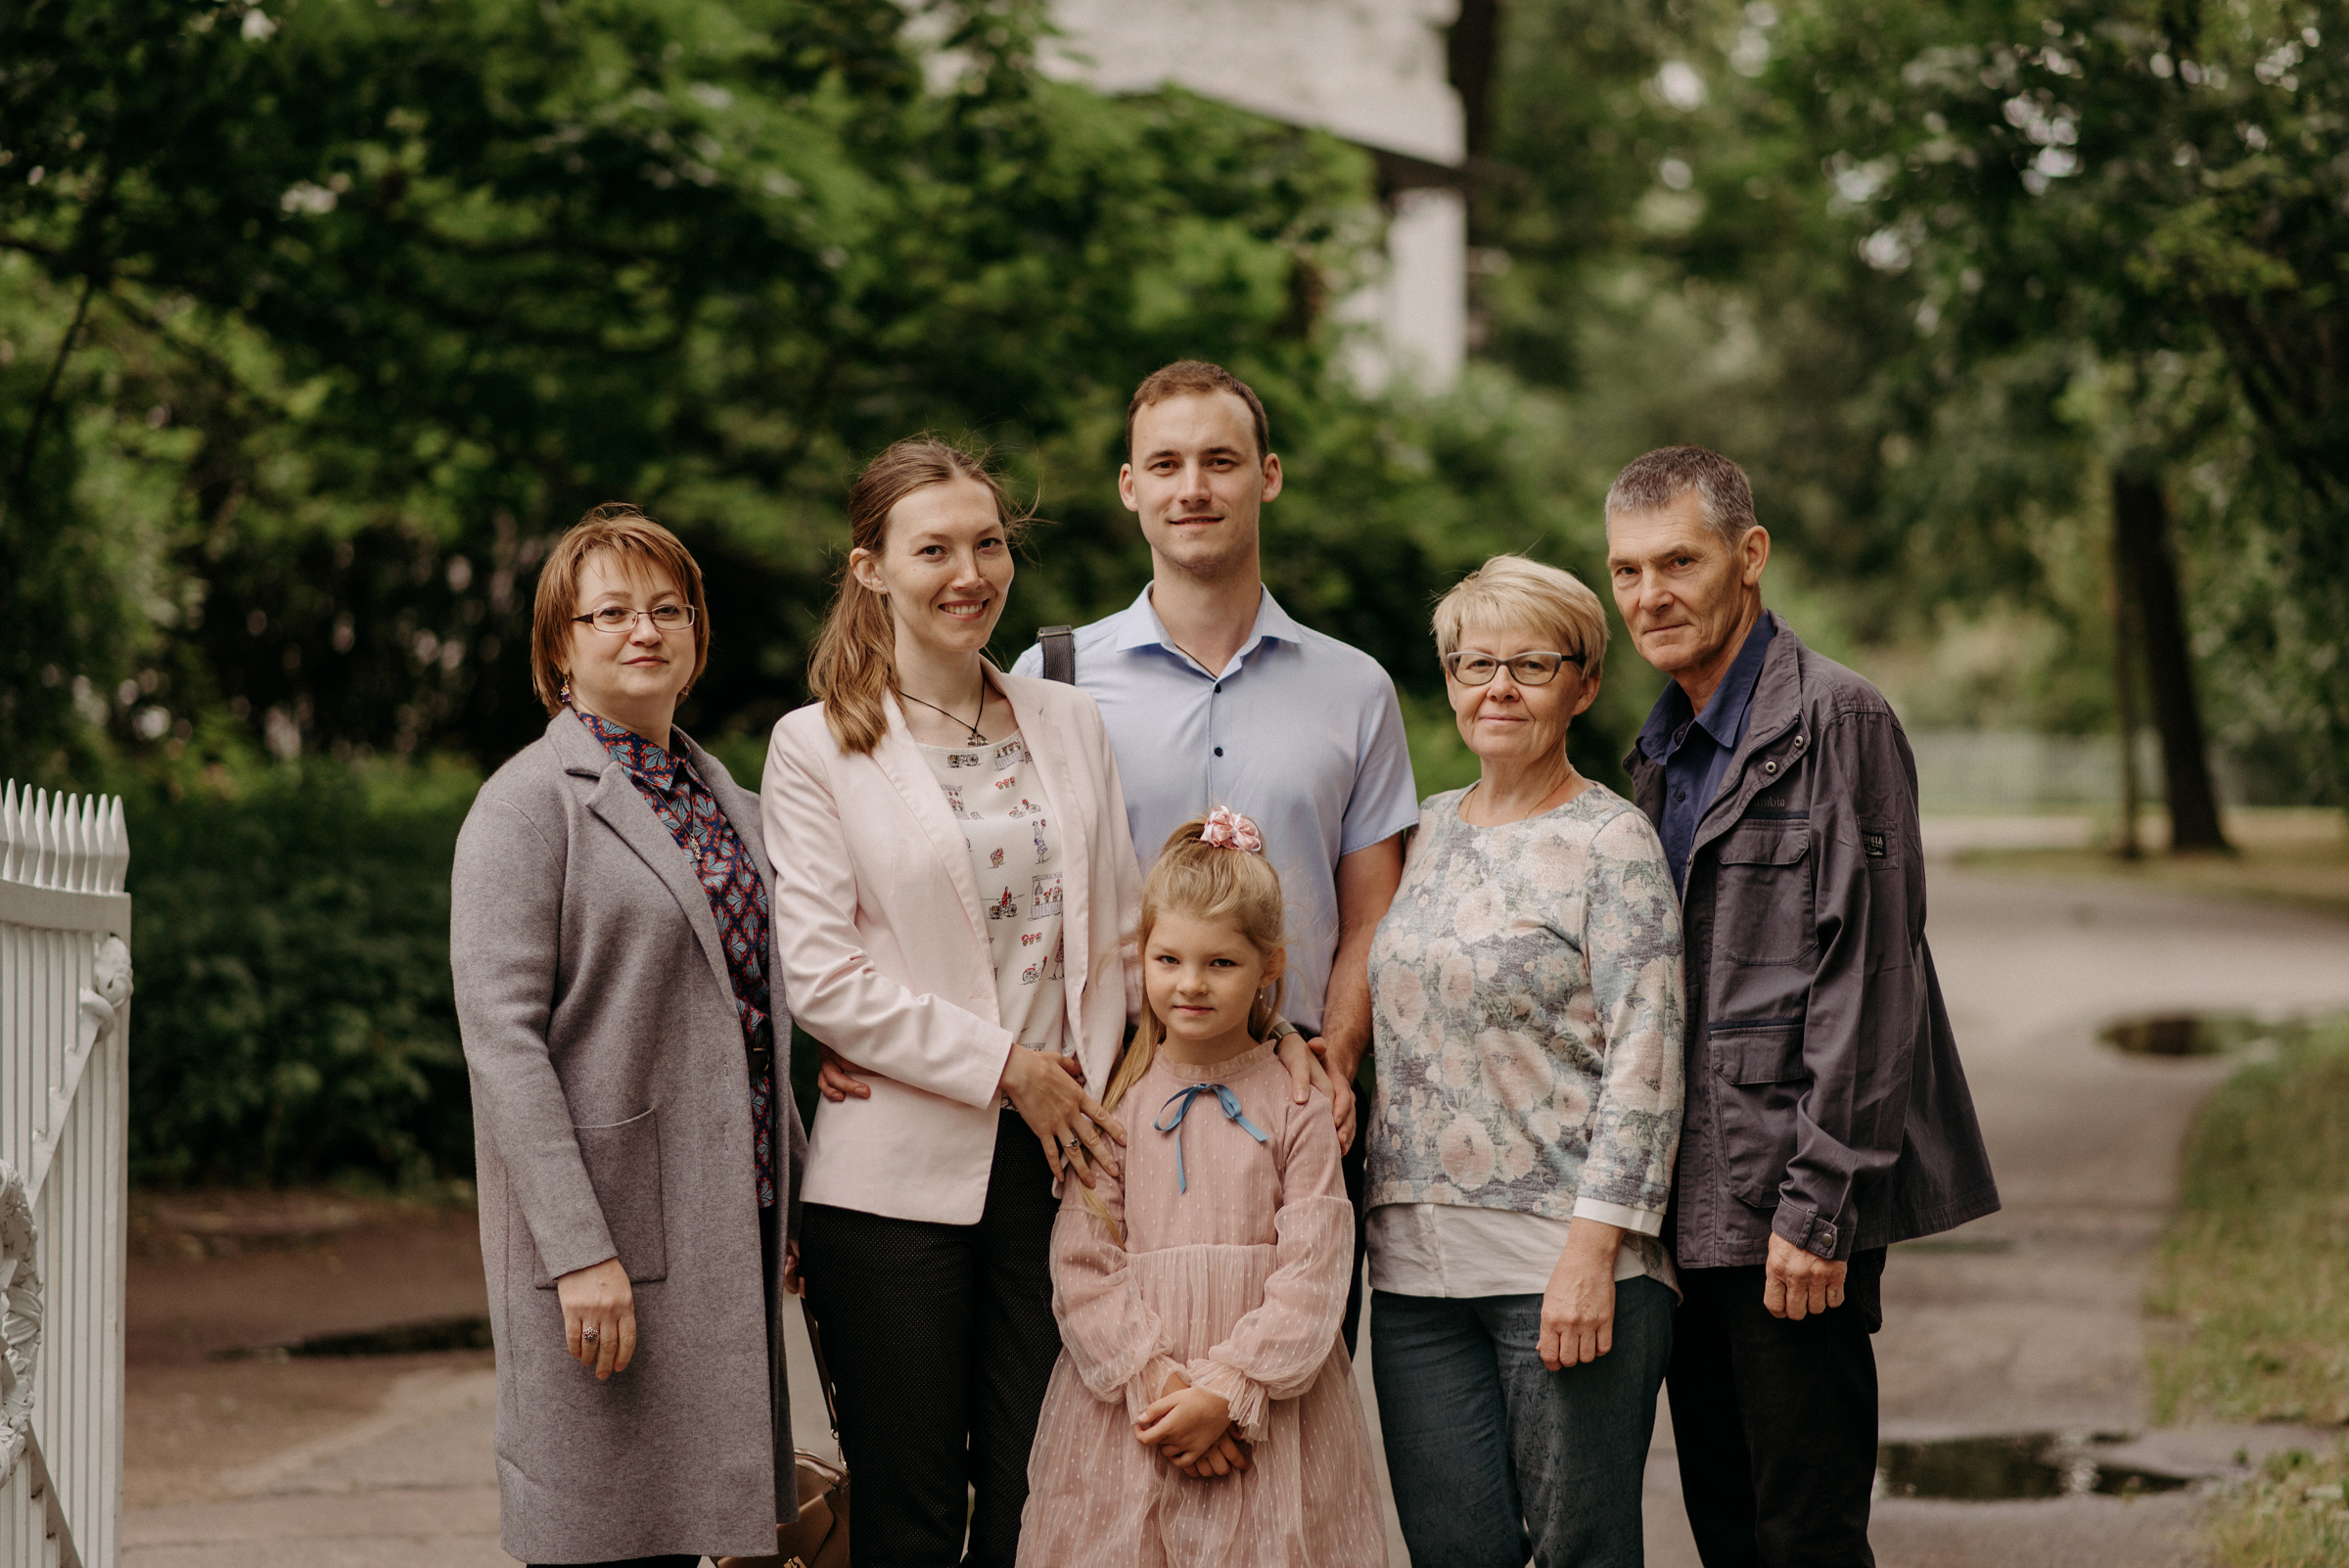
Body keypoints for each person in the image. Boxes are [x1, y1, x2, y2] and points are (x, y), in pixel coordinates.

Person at [1604, 446, 2000, 1568]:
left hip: (1790, 1204)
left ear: (1749, 554)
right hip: (1687, 1211)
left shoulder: (1841, 721)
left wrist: (1819, 1208)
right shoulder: (1661, 750)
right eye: (1627, 571)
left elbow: (1875, 981)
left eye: (1678, 561)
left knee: (1809, 1537)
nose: (1650, 595)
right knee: (1727, 1530)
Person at [760, 437, 1149, 1566]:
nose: (969, 572)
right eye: (934, 548)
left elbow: (1121, 938)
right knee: (910, 1513)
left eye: (988, 544)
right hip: (889, 1191)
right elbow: (822, 976)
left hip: (1065, 1168)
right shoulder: (816, 745)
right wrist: (1008, 1069)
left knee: (1045, 1497)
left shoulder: (1069, 721)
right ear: (871, 568)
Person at [1008, 359, 1421, 1352]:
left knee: (1285, 1410)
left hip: (1294, 1115)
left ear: (1267, 476)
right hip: (1105, 1110)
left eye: (1220, 461)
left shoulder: (1355, 689)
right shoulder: (1049, 680)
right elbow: (998, 894)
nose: (1193, 486)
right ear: (1130, 486)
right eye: (1167, 463)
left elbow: (1374, 909)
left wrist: (1343, 1059)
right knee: (1115, 1409)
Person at [450, 504, 806, 1567]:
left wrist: (787, 1174)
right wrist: (578, 1250)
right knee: (603, 1537)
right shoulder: (525, 806)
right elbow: (501, 1040)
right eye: (610, 613)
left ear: (696, 638)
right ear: (561, 648)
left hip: (724, 1221)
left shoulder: (725, 799)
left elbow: (751, 1009)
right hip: (606, 1236)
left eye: (667, 610)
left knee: (703, 1532)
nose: (644, 630)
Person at [1363, 556, 1686, 1568]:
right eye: (1474, 663)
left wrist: (1594, 1254)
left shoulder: (1613, 842)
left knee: (1579, 1552)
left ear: (1583, 685)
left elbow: (1649, 1054)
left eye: (1530, 665)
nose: (1497, 687)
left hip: (1564, 1262)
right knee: (1455, 1553)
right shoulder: (1425, 830)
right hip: (1415, 1276)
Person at [1018, 812, 1385, 1568]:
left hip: (1275, 1419)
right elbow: (1085, 1266)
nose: (1190, 983)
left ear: (1269, 967)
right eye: (1168, 959)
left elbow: (1315, 1271)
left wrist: (1227, 1394)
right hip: (1135, 1416)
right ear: (1141, 958)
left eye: (1221, 963)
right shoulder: (1115, 1101)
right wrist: (1164, 1392)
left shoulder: (1298, 1101)